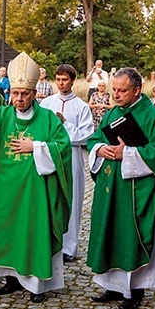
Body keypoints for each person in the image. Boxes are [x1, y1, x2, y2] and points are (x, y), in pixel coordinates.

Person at [0, 52, 73, 303]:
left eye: (24, 94)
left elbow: (62, 148)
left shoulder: (48, 119)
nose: (19, 99)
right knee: (8, 234)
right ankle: (11, 279)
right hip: (4, 189)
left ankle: (37, 285)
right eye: (15, 93)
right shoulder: (2, 116)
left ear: (34, 94)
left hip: (35, 191)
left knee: (34, 233)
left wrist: (37, 147)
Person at [86, 67, 155, 309]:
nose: (116, 95)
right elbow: (95, 139)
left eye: (122, 90)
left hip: (139, 190)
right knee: (111, 232)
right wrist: (100, 149)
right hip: (111, 186)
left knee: (132, 235)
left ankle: (135, 290)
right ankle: (113, 286)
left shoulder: (154, 117)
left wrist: (126, 152)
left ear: (137, 90)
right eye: (114, 90)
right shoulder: (112, 113)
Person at [40, 64, 94, 263]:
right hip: (48, 155)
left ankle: (69, 247)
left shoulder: (81, 106)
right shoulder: (46, 103)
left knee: (72, 199)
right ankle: (48, 241)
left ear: (72, 80)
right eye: (58, 79)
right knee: (49, 197)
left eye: (65, 79)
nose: (61, 83)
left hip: (71, 156)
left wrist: (65, 124)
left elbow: (86, 135)